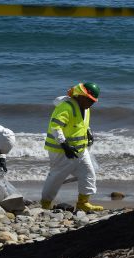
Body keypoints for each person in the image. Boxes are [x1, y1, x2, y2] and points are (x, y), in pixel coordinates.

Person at [41, 82, 103, 211]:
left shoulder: (86, 108)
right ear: (80, 96)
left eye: (93, 101)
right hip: (61, 151)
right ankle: (45, 204)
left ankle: (83, 203)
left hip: (80, 149)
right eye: (90, 100)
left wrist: (88, 131)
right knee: (56, 177)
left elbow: (81, 124)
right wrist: (65, 145)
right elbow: (55, 127)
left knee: (88, 173)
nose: (92, 103)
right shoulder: (66, 107)